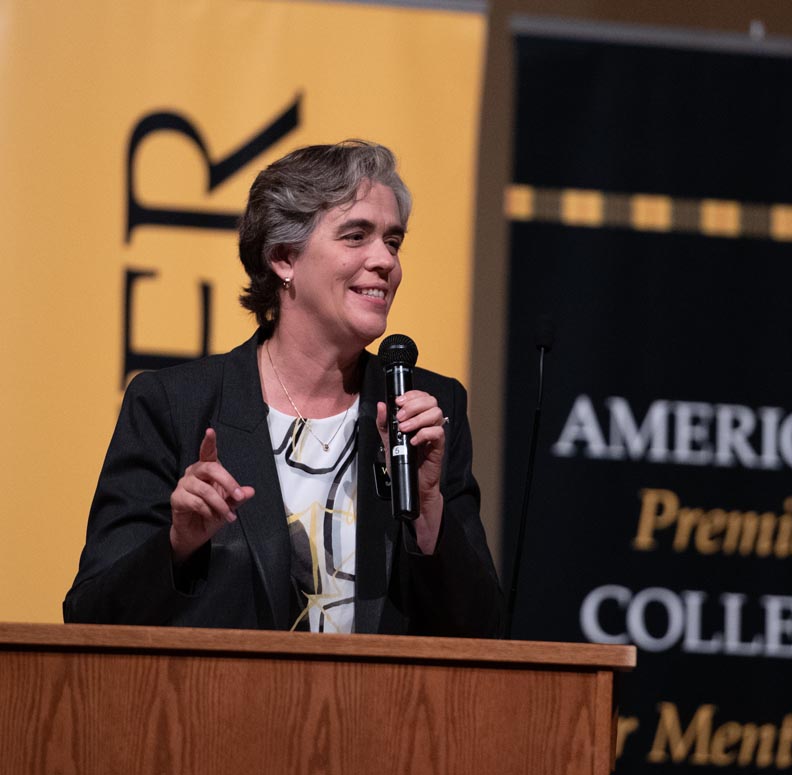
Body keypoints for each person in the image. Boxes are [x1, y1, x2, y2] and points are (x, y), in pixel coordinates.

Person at [64, 141, 502, 637]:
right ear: (283, 258)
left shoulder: (425, 412)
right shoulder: (174, 406)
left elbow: (482, 631)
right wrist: (177, 544)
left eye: (393, 242)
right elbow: (90, 616)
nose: (385, 260)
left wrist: (428, 510)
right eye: (356, 236)